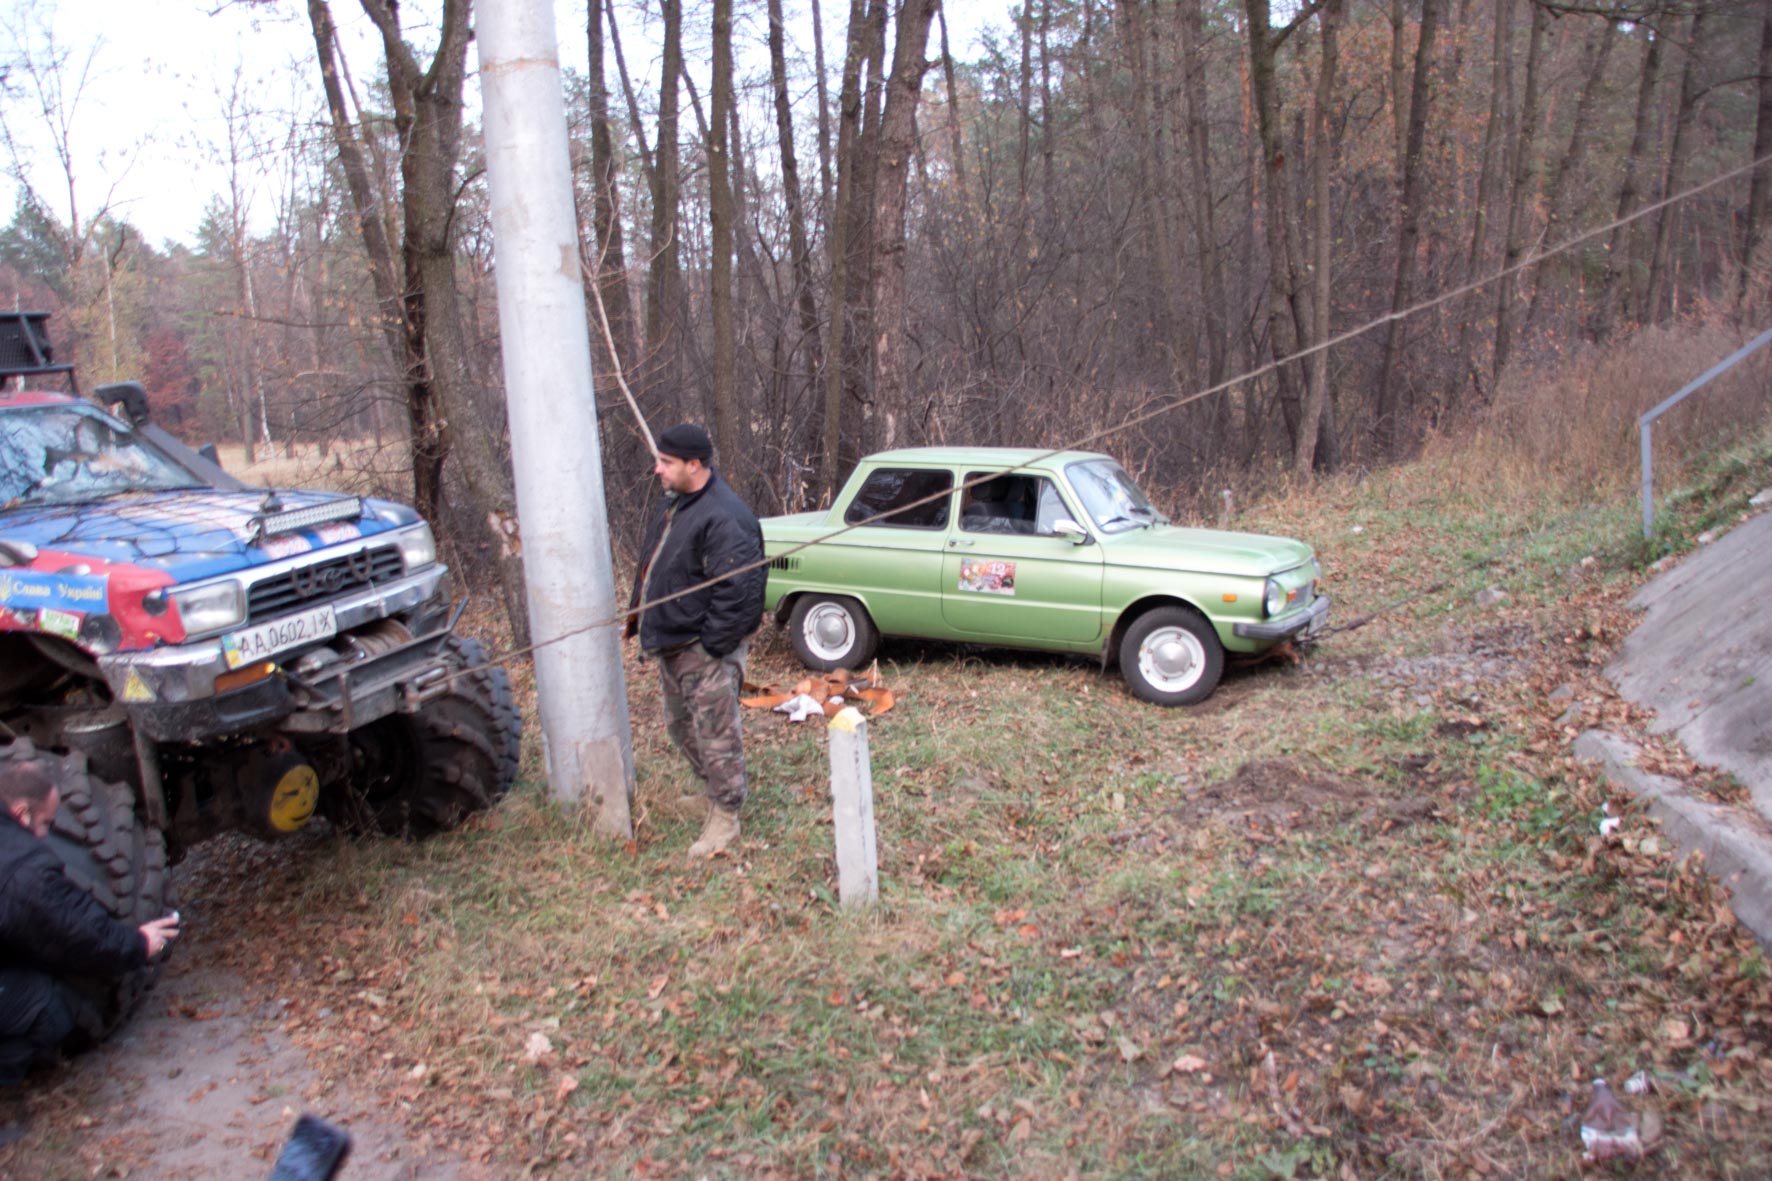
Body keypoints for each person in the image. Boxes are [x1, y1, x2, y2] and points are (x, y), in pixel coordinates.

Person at [626, 424, 766, 861]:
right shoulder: (677, 503)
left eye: (666, 462)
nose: (657, 469)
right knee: (680, 726)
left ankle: (726, 814)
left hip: (702, 648)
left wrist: (711, 647)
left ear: (694, 464)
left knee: (716, 734)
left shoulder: (726, 516)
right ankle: (713, 791)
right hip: (673, 641)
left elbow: (741, 592)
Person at [0, 758, 180, 1090]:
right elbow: (74, 931)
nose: (44, 834)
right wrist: (138, 944)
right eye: (45, 822)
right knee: (48, 1010)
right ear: (21, 813)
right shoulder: (22, 870)